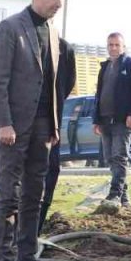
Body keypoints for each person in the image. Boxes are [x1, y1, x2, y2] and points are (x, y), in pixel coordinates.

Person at [0, 0, 67, 261]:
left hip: (43, 127)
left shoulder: (54, 33)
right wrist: (4, 123)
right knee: (8, 194)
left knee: (35, 194)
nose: (59, 2)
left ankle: (27, 259)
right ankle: (1, 260)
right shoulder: (10, 28)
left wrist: (55, 127)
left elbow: (54, 84)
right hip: (13, 127)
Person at [92, 32, 131, 205]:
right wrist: (96, 119)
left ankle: (114, 194)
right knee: (109, 158)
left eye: (116, 44)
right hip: (105, 120)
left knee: (119, 156)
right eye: (110, 45)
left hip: (123, 121)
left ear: (123, 46)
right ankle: (124, 197)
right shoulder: (105, 66)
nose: (113, 48)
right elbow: (98, 94)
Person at [40, 37, 76, 232]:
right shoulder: (22, 39)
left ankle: (37, 223)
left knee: (51, 167)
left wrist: (56, 99)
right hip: (24, 120)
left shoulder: (64, 48)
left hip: (51, 119)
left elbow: (69, 81)